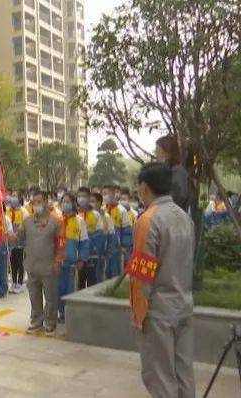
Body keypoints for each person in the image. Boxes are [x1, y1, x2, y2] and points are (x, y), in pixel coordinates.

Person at [129, 162, 195, 398]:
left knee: (160, 376)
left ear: (144, 188)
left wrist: (139, 313)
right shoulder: (184, 217)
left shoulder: (148, 220)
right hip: (184, 305)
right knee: (183, 372)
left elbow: (141, 274)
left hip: (159, 312)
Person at [17, 191, 64, 336]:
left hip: (49, 265)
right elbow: (19, 238)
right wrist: (10, 234)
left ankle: (50, 322)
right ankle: (37, 321)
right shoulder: (27, 221)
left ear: (46, 202)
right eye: (34, 202)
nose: (36, 205)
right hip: (32, 265)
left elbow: (61, 244)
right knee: (34, 295)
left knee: (50, 297)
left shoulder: (56, 222)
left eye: (39, 201)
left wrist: (58, 260)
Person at [57, 193, 89, 322]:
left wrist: (81, 259)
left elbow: (85, 242)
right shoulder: (57, 219)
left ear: (74, 204)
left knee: (71, 290)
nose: (65, 204)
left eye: (68, 201)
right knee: (58, 290)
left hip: (72, 265)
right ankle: (61, 314)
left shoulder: (79, 221)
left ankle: (71, 316)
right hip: (58, 263)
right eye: (63, 201)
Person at [155, 135, 192, 213]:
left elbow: (179, 196)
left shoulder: (177, 171)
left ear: (167, 152)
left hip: (174, 218)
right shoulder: (165, 171)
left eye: (157, 150)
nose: (156, 154)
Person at [102, 185, 132, 278]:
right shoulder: (102, 210)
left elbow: (126, 230)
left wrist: (124, 245)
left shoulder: (122, 210)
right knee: (103, 271)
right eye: (104, 194)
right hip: (104, 246)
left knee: (115, 271)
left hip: (116, 247)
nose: (105, 196)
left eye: (107, 193)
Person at [77, 187, 102, 289]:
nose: (81, 199)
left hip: (92, 256)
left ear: (89, 197)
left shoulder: (96, 214)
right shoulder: (74, 214)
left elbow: (99, 234)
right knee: (79, 285)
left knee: (92, 283)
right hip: (77, 258)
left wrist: (85, 240)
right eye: (79, 196)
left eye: (84, 196)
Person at [6, 191, 29, 294]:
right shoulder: (7, 211)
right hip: (10, 242)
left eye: (15, 196)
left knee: (20, 263)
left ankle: (20, 283)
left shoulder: (23, 211)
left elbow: (26, 226)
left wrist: (18, 235)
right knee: (12, 263)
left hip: (20, 242)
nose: (13, 198)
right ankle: (13, 282)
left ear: (20, 198)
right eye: (12, 196)